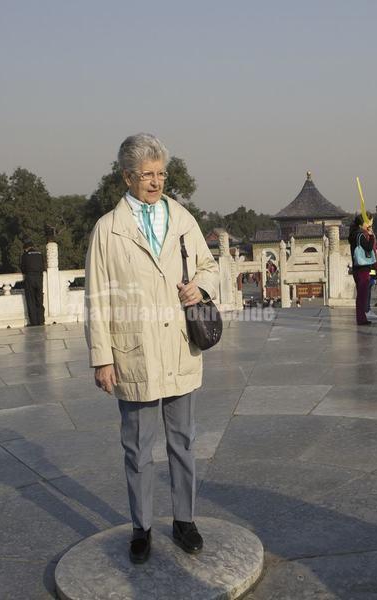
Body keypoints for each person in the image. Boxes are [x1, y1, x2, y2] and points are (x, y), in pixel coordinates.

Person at [84, 133, 219, 565]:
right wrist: (102, 356)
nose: (156, 181)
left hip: (179, 345)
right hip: (134, 351)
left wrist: (200, 287)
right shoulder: (108, 230)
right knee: (138, 448)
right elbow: (97, 297)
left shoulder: (182, 218)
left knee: (183, 440)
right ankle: (141, 527)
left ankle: (185, 520)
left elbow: (209, 266)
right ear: (127, 177)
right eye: (147, 175)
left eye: (161, 173)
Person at [348, 214, 375, 326]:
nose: (368, 224)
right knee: (362, 295)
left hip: (356, 267)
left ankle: (361, 318)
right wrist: (371, 236)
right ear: (361, 224)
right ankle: (361, 319)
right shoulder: (360, 235)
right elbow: (368, 247)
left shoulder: (353, 235)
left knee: (360, 294)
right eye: (366, 222)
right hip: (363, 268)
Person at [20, 238, 44, 326]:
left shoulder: (25, 255)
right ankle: (41, 320)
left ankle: (34, 322)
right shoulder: (40, 254)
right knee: (39, 299)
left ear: (26, 248)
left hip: (30, 278)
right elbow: (43, 266)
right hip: (39, 278)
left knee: (31, 300)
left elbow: (23, 268)